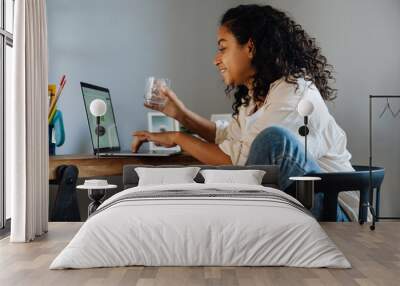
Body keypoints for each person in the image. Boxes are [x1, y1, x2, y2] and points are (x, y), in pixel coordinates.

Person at [131, 4, 355, 221]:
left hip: (335, 210)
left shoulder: (293, 93)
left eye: (223, 48)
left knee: (273, 140)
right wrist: (181, 115)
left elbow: (236, 160)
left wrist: (177, 137)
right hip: (302, 203)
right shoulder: (257, 94)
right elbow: (227, 137)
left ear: (250, 47)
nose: (216, 59)